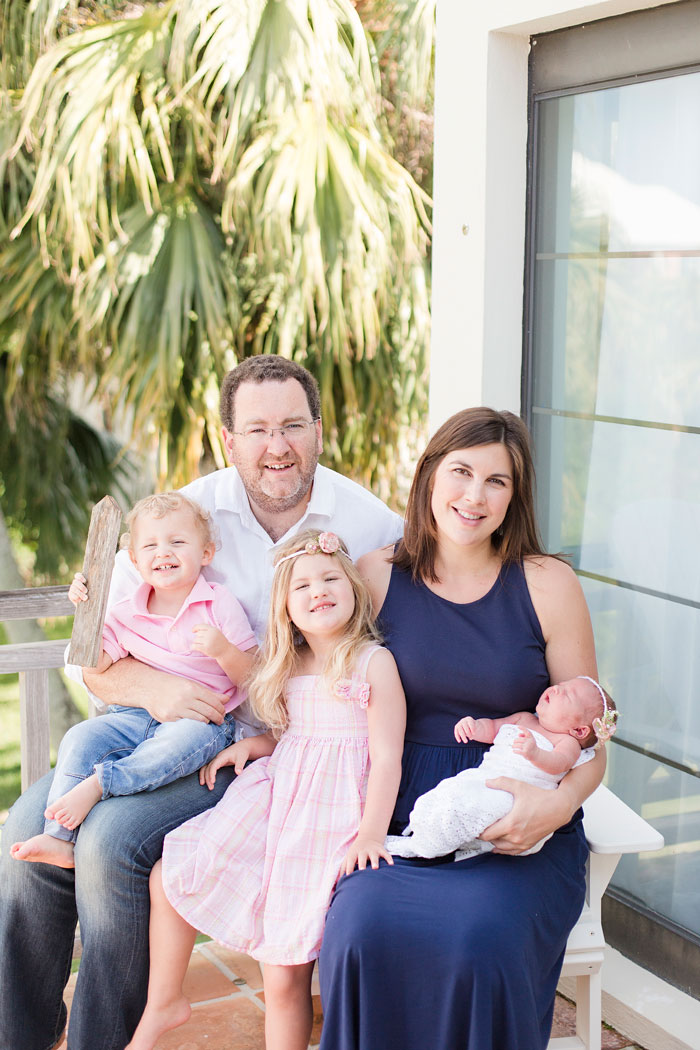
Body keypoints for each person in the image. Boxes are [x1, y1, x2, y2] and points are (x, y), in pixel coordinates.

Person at [0, 355, 403, 1050]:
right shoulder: (184, 515)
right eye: (257, 430)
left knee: (109, 843)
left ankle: (109, 1037)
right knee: (26, 842)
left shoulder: (369, 527)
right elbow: (95, 658)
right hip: (151, 731)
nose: (276, 447)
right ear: (228, 439)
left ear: (318, 430)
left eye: (292, 426)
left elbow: (381, 662)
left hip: (264, 755)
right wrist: (160, 690)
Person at [318, 406, 606, 1050]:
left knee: (482, 940)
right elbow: (304, 670)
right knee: (360, 928)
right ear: (428, 477)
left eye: (496, 481)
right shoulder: (375, 577)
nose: (474, 496)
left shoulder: (547, 584)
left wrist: (553, 808)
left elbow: (590, 747)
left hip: (518, 818)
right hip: (402, 813)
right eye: (461, 472)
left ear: (515, 496)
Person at [125, 529, 405, 1050]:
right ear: (286, 609)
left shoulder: (373, 662)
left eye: (329, 579)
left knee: (282, 973)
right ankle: (164, 1000)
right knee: (172, 872)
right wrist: (255, 746)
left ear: (354, 590)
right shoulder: (290, 664)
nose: (317, 590)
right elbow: (294, 734)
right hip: (279, 799)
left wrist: (371, 833)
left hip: (332, 817)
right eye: (302, 586)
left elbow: (387, 756)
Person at [11, 492, 258, 869]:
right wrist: (87, 609)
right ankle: (59, 839)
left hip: (202, 722)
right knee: (80, 737)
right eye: (151, 545)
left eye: (177, 542)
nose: (164, 552)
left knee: (175, 744)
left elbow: (253, 677)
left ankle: (99, 785)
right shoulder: (126, 612)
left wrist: (223, 650)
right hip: (133, 716)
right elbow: (94, 663)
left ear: (205, 553)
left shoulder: (218, 605)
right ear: (134, 561)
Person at [386, 676, 618, 860]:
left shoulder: (566, 743)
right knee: (450, 793)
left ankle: (427, 848)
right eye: (560, 685)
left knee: (480, 806)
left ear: (579, 731)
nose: (556, 689)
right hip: (486, 778)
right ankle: (430, 835)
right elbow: (493, 728)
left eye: (567, 694)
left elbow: (560, 763)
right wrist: (474, 727)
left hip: (520, 797)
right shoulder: (524, 719)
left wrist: (535, 753)